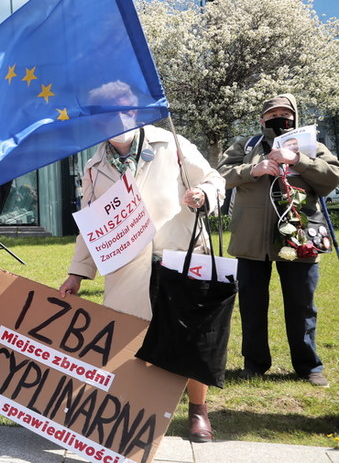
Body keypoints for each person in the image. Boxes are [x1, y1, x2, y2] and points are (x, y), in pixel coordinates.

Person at [58, 81, 225, 443]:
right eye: (107, 114)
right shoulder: (93, 167)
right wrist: (77, 272)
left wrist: (204, 194)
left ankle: (198, 410)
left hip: (180, 257)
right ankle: (136, 411)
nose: (118, 119)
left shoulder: (173, 145)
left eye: (125, 109)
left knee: (190, 337)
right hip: (126, 269)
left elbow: (214, 179)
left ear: (136, 110)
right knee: (129, 340)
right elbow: (91, 225)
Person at [218, 93, 339, 388]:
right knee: (251, 304)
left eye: (285, 114)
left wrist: (299, 159)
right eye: (273, 114)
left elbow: (332, 177)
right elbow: (219, 175)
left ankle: (309, 366)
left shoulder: (313, 146)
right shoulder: (244, 146)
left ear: (295, 118)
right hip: (251, 240)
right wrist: (252, 170)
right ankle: (254, 364)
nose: (279, 119)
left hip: (300, 238)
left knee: (302, 304)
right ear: (262, 119)